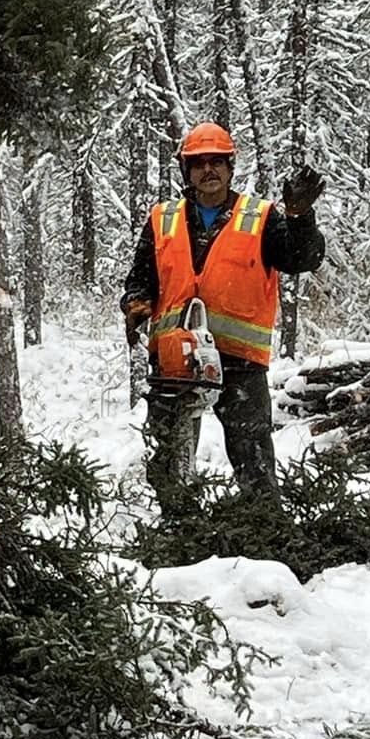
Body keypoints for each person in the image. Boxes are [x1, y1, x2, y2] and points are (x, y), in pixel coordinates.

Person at [119, 123, 325, 513]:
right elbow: (139, 278)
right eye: (199, 163)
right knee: (169, 460)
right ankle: (180, 531)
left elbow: (302, 259)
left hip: (238, 359)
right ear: (186, 170)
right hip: (175, 360)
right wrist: (136, 304)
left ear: (230, 168)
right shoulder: (163, 218)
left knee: (253, 456)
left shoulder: (261, 217)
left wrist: (300, 217)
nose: (208, 171)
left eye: (217, 162)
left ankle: (265, 535)